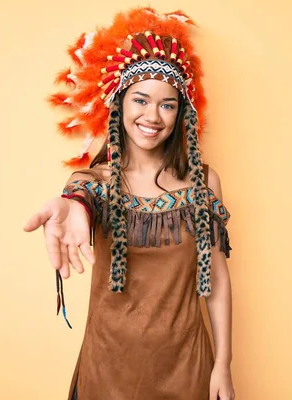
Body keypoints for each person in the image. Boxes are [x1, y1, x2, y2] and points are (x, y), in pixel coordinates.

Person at [23, 7, 235, 400]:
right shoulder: (96, 181)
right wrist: (73, 206)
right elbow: (79, 200)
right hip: (108, 370)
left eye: (167, 104)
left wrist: (223, 363)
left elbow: (217, 280)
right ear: (119, 105)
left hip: (186, 366)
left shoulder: (203, 182)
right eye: (140, 100)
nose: (152, 116)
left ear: (181, 112)